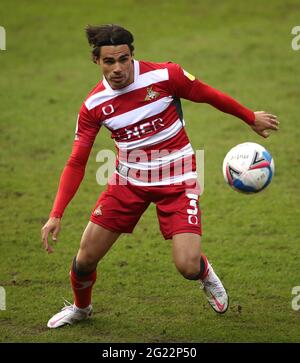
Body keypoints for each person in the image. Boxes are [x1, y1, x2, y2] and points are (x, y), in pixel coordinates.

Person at [41, 24, 279, 328]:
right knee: (85, 258)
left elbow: (208, 94)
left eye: (124, 59)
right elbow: (76, 162)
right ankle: (81, 308)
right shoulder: (93, 106)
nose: (118, 68)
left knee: (187, 266)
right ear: (96, 61)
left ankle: (204, 273)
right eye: (109, 61)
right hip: (128, 183)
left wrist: (250, 117)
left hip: (178, 179)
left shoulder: (166, 76)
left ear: (132, 56)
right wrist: (56, 213)